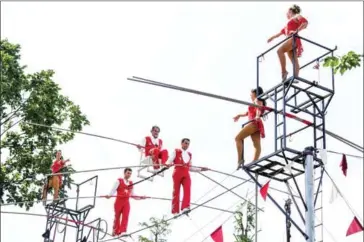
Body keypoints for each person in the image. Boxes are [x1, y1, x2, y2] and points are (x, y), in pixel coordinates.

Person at [165, 138, 208, 215]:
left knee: (187, 190)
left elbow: (190, 167)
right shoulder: (176, 151)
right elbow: (170, 159)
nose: (186, 145)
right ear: (181, 143)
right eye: (185, 143)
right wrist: (167, 164)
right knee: (176, 191)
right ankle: (175, 211)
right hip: (177, 172)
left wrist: (201, 169)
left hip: (186, 173)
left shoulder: (189, 155)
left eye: (188, 144)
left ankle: (185, 207)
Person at [267, 4, 309, 82]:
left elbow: (305, 23)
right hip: (291, 40)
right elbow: (279, 34)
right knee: (294, 61)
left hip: (293, 39)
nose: (286, 14)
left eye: (287, 12)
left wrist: (296, 31)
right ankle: (296, 77)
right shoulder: (287, 24)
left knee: (279, 51)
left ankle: (284, 72)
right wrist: (271, 38)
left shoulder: (296, 16)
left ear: (290, 11)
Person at [233, 87, 267, 169]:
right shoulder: (255, 102)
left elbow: (259, 109)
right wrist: (239, 115)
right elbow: (247, 113)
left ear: (255, 94)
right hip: (256, 124)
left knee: (238, 138)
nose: (250, 95)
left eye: (251, 93)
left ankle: (240, 159)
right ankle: (254, 162)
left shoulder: (257, 100)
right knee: (256, 145)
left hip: (254, 123)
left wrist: (258, 116)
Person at [106, 168, 144, 237]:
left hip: (126, 202)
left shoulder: (131, 183)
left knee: (125, 216)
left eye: (130, 173)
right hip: (118, 202)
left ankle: (123, 231)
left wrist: (141, 197)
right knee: (117, 217)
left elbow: (133, 195)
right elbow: (113, 190)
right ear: (124, 173)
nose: (129, 175)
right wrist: (109, 195)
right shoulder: (119, 181)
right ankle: (115, 231)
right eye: (128, 173)